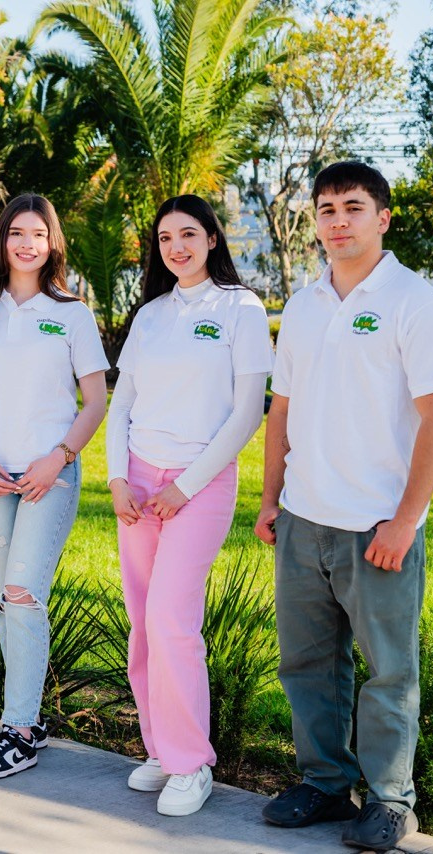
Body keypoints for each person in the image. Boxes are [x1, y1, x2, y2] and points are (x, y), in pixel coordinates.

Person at [254, 161, 433, 851]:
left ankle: (392, 801)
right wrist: (270, 499)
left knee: (388, 671)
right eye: (326, 209)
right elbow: (281, 409)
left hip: (377, 525)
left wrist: (405, 520)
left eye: (352, 207)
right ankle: (324, 783)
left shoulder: (415, 303)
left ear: (383, 218)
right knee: (307, 666)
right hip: (303, 518)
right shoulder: (306, 304)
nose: (337, 221)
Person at [106, 195, 273, 816]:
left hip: (198, 485)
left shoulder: (240, 309)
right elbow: (121, 404)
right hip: (138, 485)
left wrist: (186, 485)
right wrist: (118, 477)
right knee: (143, 621)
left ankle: (191, 762)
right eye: (165, 237)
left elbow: (246, 412)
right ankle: (161, 749)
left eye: (188, 234)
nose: (176, 246)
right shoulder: (150, 315)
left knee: (173, 620)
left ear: (211, 239)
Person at [0, 194, 109, 778]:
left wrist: (59, 457)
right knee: (8, 603)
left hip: (51, 477)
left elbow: (95, 401)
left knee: (21, 593)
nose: (26, 243)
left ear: (52, 243)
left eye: (37, 234)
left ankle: (16, 729)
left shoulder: (72, 313)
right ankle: (30, 721)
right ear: (2, 240)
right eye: (17, 232)